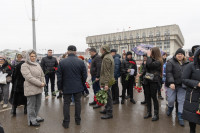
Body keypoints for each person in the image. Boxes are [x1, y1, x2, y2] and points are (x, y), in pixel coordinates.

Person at [57, 45, 87, 129]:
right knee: (78, 103)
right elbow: (84, 75)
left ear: (67, 52)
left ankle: (66, 122)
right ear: (75, 52)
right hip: (78, 86)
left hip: (66, 86)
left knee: (66, 104)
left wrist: (60, 87)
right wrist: (81, 83)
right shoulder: (80, 62)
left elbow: (59, 77)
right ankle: (78, 120)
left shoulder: (62, 62)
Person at [21, 50, 45, 127]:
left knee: (38, 104)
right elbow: (29, 77)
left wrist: (43, 82)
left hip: (39, 87)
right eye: (31, 56)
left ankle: (35, 116)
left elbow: (42, 74)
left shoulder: (37, 64)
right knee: (31, 105)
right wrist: (40, 83)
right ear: (28, 56)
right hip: (31, 88)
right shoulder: (24, 65)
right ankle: (32, 120)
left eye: (34, 56)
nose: (33, 57)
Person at [166, 48, 189, 126]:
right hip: (172, 85)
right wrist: (171, 82)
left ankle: (180, 116)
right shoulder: (170, 62)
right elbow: (169, 73)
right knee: (171, 100)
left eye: (181, 54)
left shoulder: (187, 63)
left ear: (183, 55)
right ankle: (170, 108)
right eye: (178, 54)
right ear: (176, 55)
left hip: (182, 85)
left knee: (181, 101)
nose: (180, 55)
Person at [182, 46, 200, 133]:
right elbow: (184, 79)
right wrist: (197, 83)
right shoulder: (191, 66)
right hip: (192, 97)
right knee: (192, 120)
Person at [144, 47, 163, 121]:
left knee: (154, 97)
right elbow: (146, 68)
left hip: (154, 80)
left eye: (151, 51)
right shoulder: (150, 59)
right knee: (147, 96)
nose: (149, 52)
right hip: (148, 79)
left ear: (154, 52)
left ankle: (156, 114)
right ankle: (149, 112)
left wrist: (148, 57)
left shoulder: (159, 61)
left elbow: (150, 66)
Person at [99, 45, 114, 119]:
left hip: (107, 80)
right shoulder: (108, 56)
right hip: (108, 79)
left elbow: (107, 72)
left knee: (108, 97)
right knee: (107, 95)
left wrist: (106, 84)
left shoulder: (106, 58)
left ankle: (109, 112)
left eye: (101, 49)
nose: (100, 50)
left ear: (104, 50)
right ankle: (107, 109)